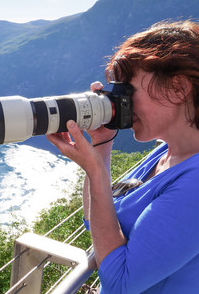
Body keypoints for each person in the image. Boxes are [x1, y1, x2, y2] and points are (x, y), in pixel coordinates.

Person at [47, 20, 199, 293]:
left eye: (128, 90)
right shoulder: (164, 154)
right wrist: (101, 145)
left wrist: (95, 172)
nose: (119, 102)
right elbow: (96, 223)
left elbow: (120, 283)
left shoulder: (195, 184)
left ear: (178, 88)